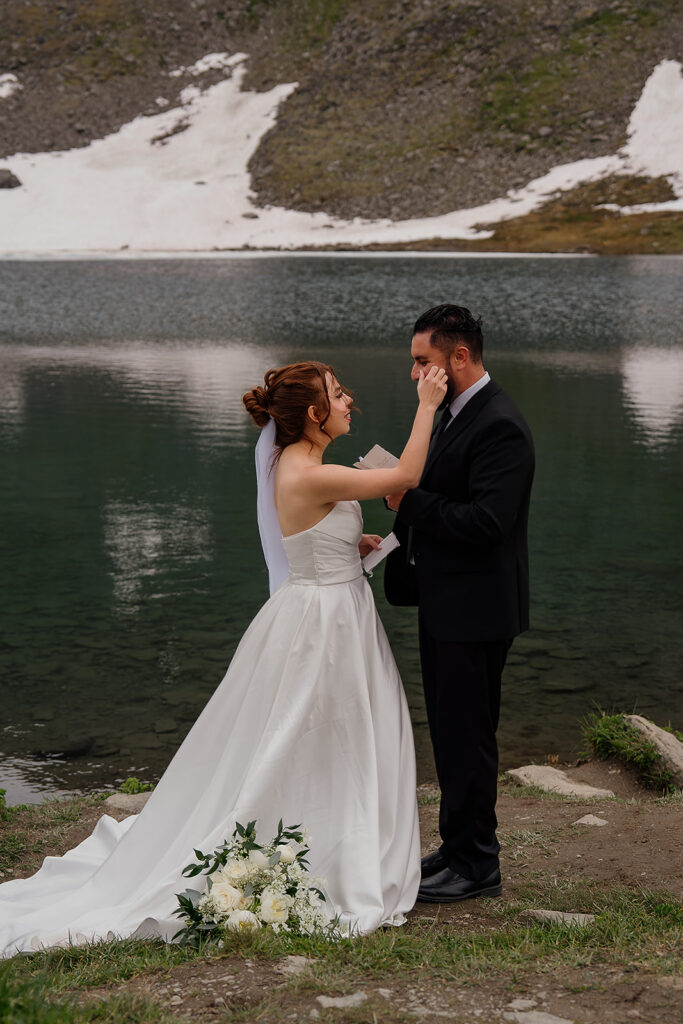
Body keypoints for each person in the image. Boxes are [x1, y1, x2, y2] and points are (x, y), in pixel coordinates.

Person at [0, 359, 447, 956]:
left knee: (336, 734)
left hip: (337, 612)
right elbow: (409, 474)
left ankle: (336, 836)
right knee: (317, 734)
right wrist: (427, 403)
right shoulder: (309, 473)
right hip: (324, 626)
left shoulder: (304, 466)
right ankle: (325, 847)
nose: (349, 402)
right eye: (338, 395)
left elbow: (314, 532)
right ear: (313, 414)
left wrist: (351, 542)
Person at [384, 305, 535, 903]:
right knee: (450, 733)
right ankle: (455, 847)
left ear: (459, 357)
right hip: (446, 602)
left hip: (477, 610)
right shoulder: (452, 413)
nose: (414, 373)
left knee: (469, 736)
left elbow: (488, 522)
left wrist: (409, 503)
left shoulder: (501, 424)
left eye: (422, 361)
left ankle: (477, 865)